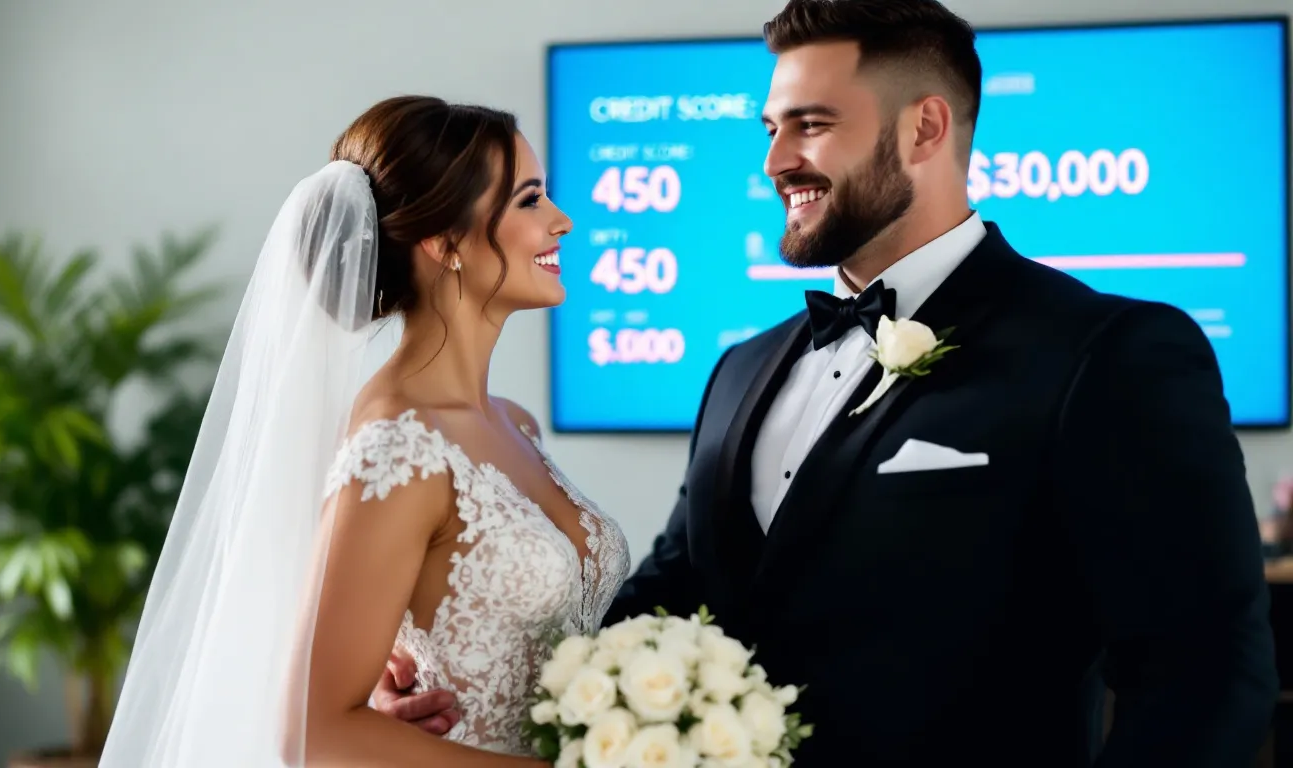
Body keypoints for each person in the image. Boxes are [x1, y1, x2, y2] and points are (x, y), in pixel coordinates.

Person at [378, 1, 1279, 765]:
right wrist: (456, 672)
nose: (775, 162)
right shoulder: (741, 370)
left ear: (924, 127)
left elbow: (1202, 677)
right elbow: (673, 597)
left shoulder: (1108, 352)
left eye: (811, 125)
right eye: (772, 129)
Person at [97, 95, 629, 767]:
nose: (562, 220)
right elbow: (314, 732)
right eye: (529, 201)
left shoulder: (515, 423)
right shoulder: (398, 447)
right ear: (446, 244)